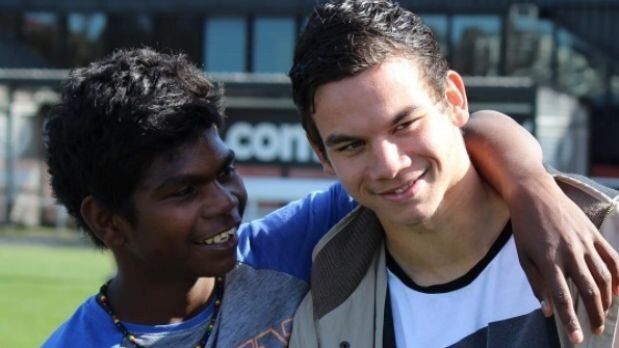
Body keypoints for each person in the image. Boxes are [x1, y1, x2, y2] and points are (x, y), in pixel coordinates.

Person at [42, 47, 615, 348]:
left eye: (226, 172)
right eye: (185, 191)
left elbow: (458, 139)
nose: (225, 202)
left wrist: (532, 187)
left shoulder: (281, 249)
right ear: (108, 222)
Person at [288, 1, 619, 347]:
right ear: (321, 155)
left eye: (404, 124)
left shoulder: (608, 233)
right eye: (352, 146)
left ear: (455, 99)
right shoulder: (323, 311)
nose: (389, 165)